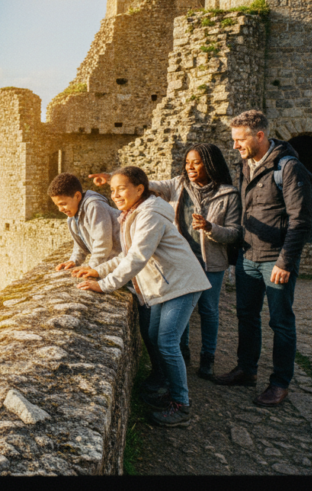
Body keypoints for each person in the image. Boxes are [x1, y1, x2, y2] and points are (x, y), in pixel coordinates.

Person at [89, 143, 242, 380]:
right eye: (187, 163)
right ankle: (181, 355)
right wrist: (113, 179)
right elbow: (145, 185)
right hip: (180, 259)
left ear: (211, 164)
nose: (189, 167)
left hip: (210, 259)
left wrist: (211, 228)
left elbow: (234, 233)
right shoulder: (180, 184)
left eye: (196, 163)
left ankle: (207, 359)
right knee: (182, 317)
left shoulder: (228, 194)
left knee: (208, 311)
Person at [75, 166, 211, 426]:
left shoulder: (150, 214)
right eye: (112, 190)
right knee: (153, 336)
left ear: (139, 189)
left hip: (181, 283)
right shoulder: (132, 213)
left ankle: (181, 405)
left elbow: (137, 257)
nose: (115, 195)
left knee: (168, 342)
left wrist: (104, 285)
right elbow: (127, 255)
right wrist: (97, 269)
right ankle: (169, 390)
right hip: (164, 286)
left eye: (121, 188)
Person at [214, 109, 312, 407]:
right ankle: (246, 369)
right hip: (248, 256)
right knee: (246, 315)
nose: (235, 146)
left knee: (280, 322)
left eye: (239, 139)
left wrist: (285, 262)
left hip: (276, 259)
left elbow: (300, 220)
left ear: (260, 135)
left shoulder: (289, 167)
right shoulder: (247, 164)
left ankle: (280, 383)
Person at [48, 173, 169, 394]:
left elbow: (102, 244)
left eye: (63, 203)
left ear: (77, 196)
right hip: (118, 268)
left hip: (127, 267)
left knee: (152, 327)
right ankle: (160, 373)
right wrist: (74, 260)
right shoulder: (73, 214)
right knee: (150, 326)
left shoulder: (94, 206)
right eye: (57, 205)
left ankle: (163, 376)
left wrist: (93, 270)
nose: (61, 209)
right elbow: (81, 241)